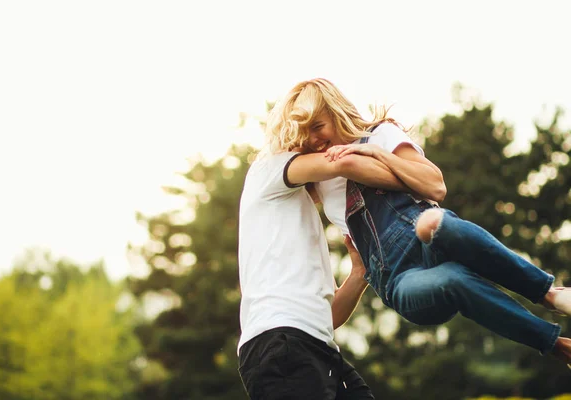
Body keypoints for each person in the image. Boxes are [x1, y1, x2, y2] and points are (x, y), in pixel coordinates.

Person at [264, 77, 571, 367]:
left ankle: (547, 293)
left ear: (335, 112)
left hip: (429, 238)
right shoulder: (318, 174)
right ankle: (554, 343)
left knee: (436, 224)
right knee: (452, 279)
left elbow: (436, 186)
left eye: (318, 126)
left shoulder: (380, 135)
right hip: (397, 278)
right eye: (306, 133)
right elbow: (278, 175)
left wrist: (374, 153)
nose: (314, 139)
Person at [237, 128, 388, 397]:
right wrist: (404, 169)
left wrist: (358, 273)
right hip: (282, 343)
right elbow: (342, 163)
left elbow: (327, 318)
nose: (324, 145)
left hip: (318, 346)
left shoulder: (297, 212)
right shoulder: (271, 166)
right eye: (315, 133)